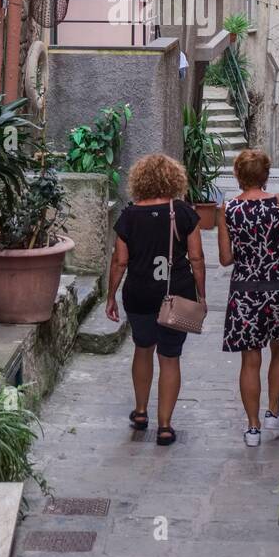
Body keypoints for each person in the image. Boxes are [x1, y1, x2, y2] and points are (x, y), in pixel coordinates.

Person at [106, 154, 206, 446]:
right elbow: (197, 258)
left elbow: (119, 262)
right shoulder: (184, 213)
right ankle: (164, 426)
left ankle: (140, 412)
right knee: (170, 357)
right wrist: (201, 293)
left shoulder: (128, 216)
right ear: (174, 179)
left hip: (138, 294)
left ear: (140, 180)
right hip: (176, 294)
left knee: (142, 348)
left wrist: (110, 295)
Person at [217, 148, 279, 447]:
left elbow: (225, 258)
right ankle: (274, 412)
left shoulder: (228, 208)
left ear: (238, 175)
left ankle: (253, 428)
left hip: (245, 292)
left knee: (250, 359)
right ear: (266, 175)